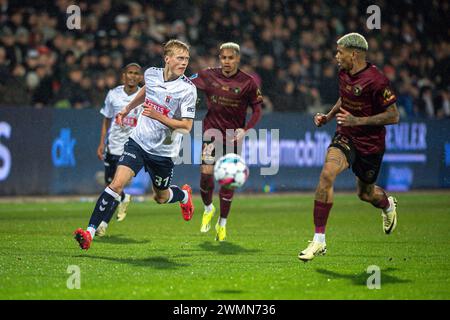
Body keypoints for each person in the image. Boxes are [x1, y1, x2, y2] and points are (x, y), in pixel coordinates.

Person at [74, 39, 196, 250]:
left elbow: (186, 127)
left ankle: (184, 196)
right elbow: (147, 91)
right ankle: (89, 232)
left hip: (164, 151)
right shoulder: (151, 74)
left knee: (161, 197)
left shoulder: (188, 90)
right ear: (167, 58)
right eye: (179, 58)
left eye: (186, 59)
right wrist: (127, 108)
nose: (184, 62)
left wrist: (159, 116)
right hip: (138, 142)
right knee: (116, 184)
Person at [298, 33, 400, 262]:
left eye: (339, 52)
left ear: (353, 54)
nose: (336, 56)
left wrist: (358, 121)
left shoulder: (377, 80)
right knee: (327, 174)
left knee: (365, 194)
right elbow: (345, 98)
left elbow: (394, 116)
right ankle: (319, 240)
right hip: (345, 136)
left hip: (371, 144)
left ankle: (387, 204)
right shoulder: (344, 73)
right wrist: (328, 116)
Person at [190, 42, 263, 241]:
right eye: (223, 58)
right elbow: (186, 82)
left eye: (231, 58)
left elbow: (257, 109)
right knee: (205, 174)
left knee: (227, 182)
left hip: (233, 138)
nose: (227, 61)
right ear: (219, 58)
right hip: (211, 134)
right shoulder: (208, 75)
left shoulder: (248, 82)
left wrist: (245, 130)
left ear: (238, 59)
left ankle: (222, 223)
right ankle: (208, 208)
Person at [94, 63, 143, 237]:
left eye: (136, 73)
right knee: (110, 185)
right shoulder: (113, 94)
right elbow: (106, 120)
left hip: (130, 147)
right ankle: (123, 197)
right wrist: (102, 143)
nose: (133, 76)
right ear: (124, 75)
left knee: (115, 185)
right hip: (112, 145)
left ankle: (103, 224)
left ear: (141, 77)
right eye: (130, 72)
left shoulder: (144, 96)